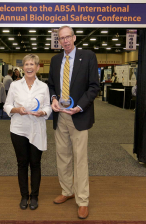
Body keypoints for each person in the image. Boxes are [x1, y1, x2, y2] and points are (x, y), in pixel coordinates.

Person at [48, 26, 100, 219]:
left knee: (80, 159)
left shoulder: (88, 56)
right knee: (62, 156)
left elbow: (94, 86)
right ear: (59, 41)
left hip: (79, 114)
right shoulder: (54, 60)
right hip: (60, 115)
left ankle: (83, 200)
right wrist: (53, 98)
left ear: (74, 37)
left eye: (68, 37)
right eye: (62, 38)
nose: (65, 41)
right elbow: (51, 84)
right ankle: (67, 190)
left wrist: (79, 107)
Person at [3, 54, 52, 210]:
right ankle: (24, 196)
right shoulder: (15, 85)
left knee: (35, 164)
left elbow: (48, 106)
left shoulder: (43, 87)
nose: (29, 67)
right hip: (19, 129)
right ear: (22, 67)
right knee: (22, 163)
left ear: (37, 67)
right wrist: (16, 109)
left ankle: (35, 196)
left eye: (33, 64)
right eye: (27, 64)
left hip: (37, 129)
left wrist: (43, 113)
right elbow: (7, 105)